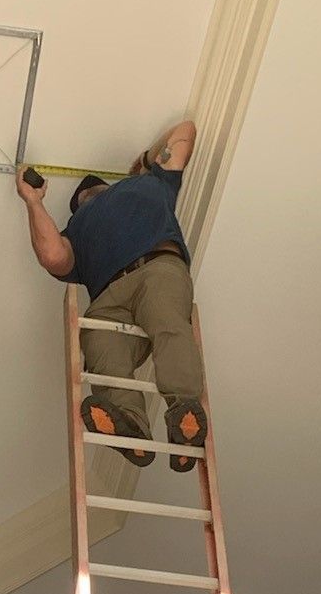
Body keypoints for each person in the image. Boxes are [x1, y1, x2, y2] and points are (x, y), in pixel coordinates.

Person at [15, 120, 207, 470]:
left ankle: (184, 412)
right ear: (77, 209)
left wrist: (148, 161)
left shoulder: (151, 182)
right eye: (82, 199)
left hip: (157, 268)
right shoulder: (76, 230)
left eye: (94, 190)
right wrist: (33, 202)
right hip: (107, 299)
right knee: (101, 347)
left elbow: (185, 133)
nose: (88, 195)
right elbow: (52, 256)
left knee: (169, 325)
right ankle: (130, 425)